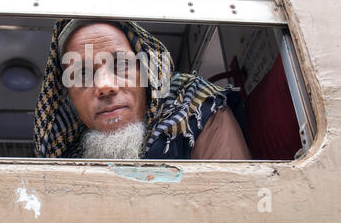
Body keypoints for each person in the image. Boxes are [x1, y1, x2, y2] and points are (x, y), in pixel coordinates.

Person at [34, 19, 251, 160]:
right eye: (82, 74)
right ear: (69, 95)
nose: (105, 86)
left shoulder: (195, 107)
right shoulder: (67, 156)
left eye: (120, 64)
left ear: (145, 71)